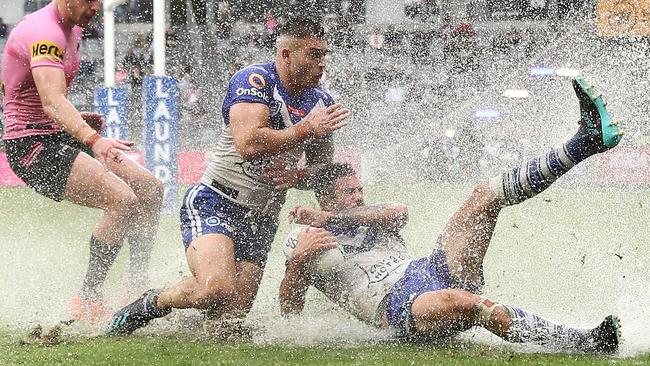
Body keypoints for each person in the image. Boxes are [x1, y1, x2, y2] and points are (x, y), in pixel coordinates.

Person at [279, 77, 623, 353]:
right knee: (463, 303)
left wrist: (330, 219)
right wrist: (297, 264)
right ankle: (586, 342)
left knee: (484, 195)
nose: (358, 196)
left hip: (427, 269)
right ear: (325, 198)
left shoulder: (368, 215)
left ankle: (585, 142)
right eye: (349, 193)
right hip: (398, 305)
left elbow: (399, 213)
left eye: (359, 190)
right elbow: (289, 314)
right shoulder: (304, 240)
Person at [107, 17, 350, 335]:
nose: (321, 64)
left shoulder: (321, 101)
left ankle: (186, 321)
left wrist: (299, 175)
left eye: (324, 55)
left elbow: (321, 172)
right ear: (287, 54)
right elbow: (248, 144)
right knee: (215, 289)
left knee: (225, 326)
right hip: (216, 200)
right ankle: (153, 302)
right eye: (314, 54)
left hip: (262, 216)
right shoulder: (255, 79)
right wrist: (306, 128)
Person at [1, 0, 164, 323]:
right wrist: (92, 138)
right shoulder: (44, 32)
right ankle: (87, 299)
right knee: (123, 201)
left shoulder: (72, 28)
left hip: (53, 133)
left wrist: (78, 121)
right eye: (90, 0)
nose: (96, 7)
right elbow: (51, 100)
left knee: (151, 188)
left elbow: (40, 94)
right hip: (31, 146)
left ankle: (135, 287)